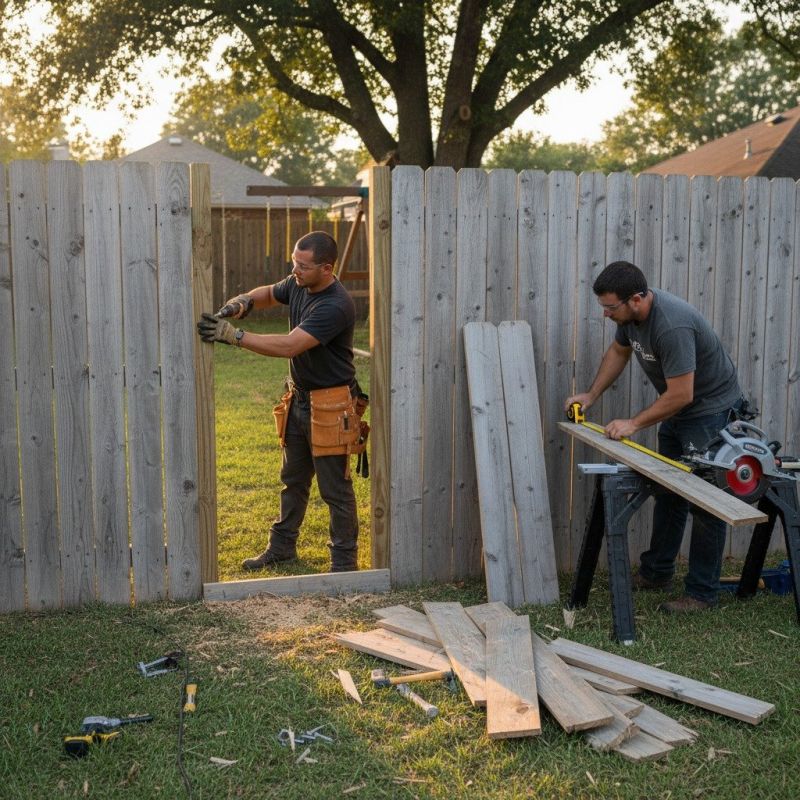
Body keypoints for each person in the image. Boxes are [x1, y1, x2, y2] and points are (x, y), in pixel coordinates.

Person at [565, 260, 744, 614]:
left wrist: (633, 423)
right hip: (679, 412)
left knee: (706, 502)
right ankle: (657, 572)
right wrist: (591, 395)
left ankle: (701, 594)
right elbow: (619, 352)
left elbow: (682, 394)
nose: (605, 314)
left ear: (636, 299)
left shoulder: (671, 325)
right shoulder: (630, 320)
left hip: (709, 413)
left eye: (610, 307)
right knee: (669, 493)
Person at [197, 231, 363, 573]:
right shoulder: (300, 283)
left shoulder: (335, 305)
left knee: (336, 491)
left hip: (331, 407)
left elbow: (289, 346)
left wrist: (234, 335)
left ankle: (344, 565)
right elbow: (271, 292)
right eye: (293, 262)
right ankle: (282, 547)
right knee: (293, 481)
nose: (294, 270)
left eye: (302, 265)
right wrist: (244, 301)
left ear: (326, 268)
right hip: (299, 401)